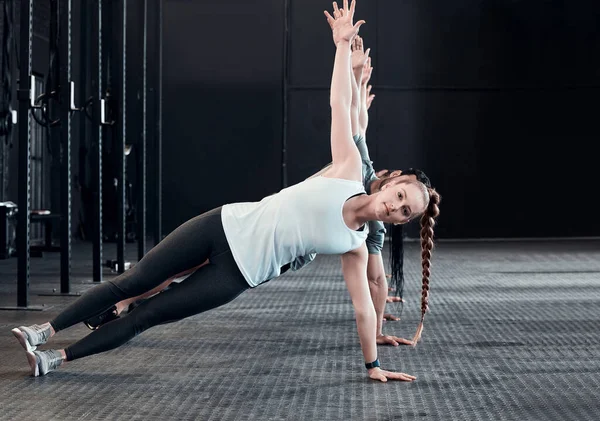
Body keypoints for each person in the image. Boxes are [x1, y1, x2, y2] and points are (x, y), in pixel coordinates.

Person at [12, 0, 439, 383]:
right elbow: (340, 105)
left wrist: (372, 365)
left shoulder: (356, 246)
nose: (395, 208)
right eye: (400, 197)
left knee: (149, 314)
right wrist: (342, 48)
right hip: (222, 224)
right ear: (392, 183)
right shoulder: (348, 168)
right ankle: (43, 330)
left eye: (404, 213)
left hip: (236, 275)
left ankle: (57, 358)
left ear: (400, 223)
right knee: (133, 283)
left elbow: (364, 308)